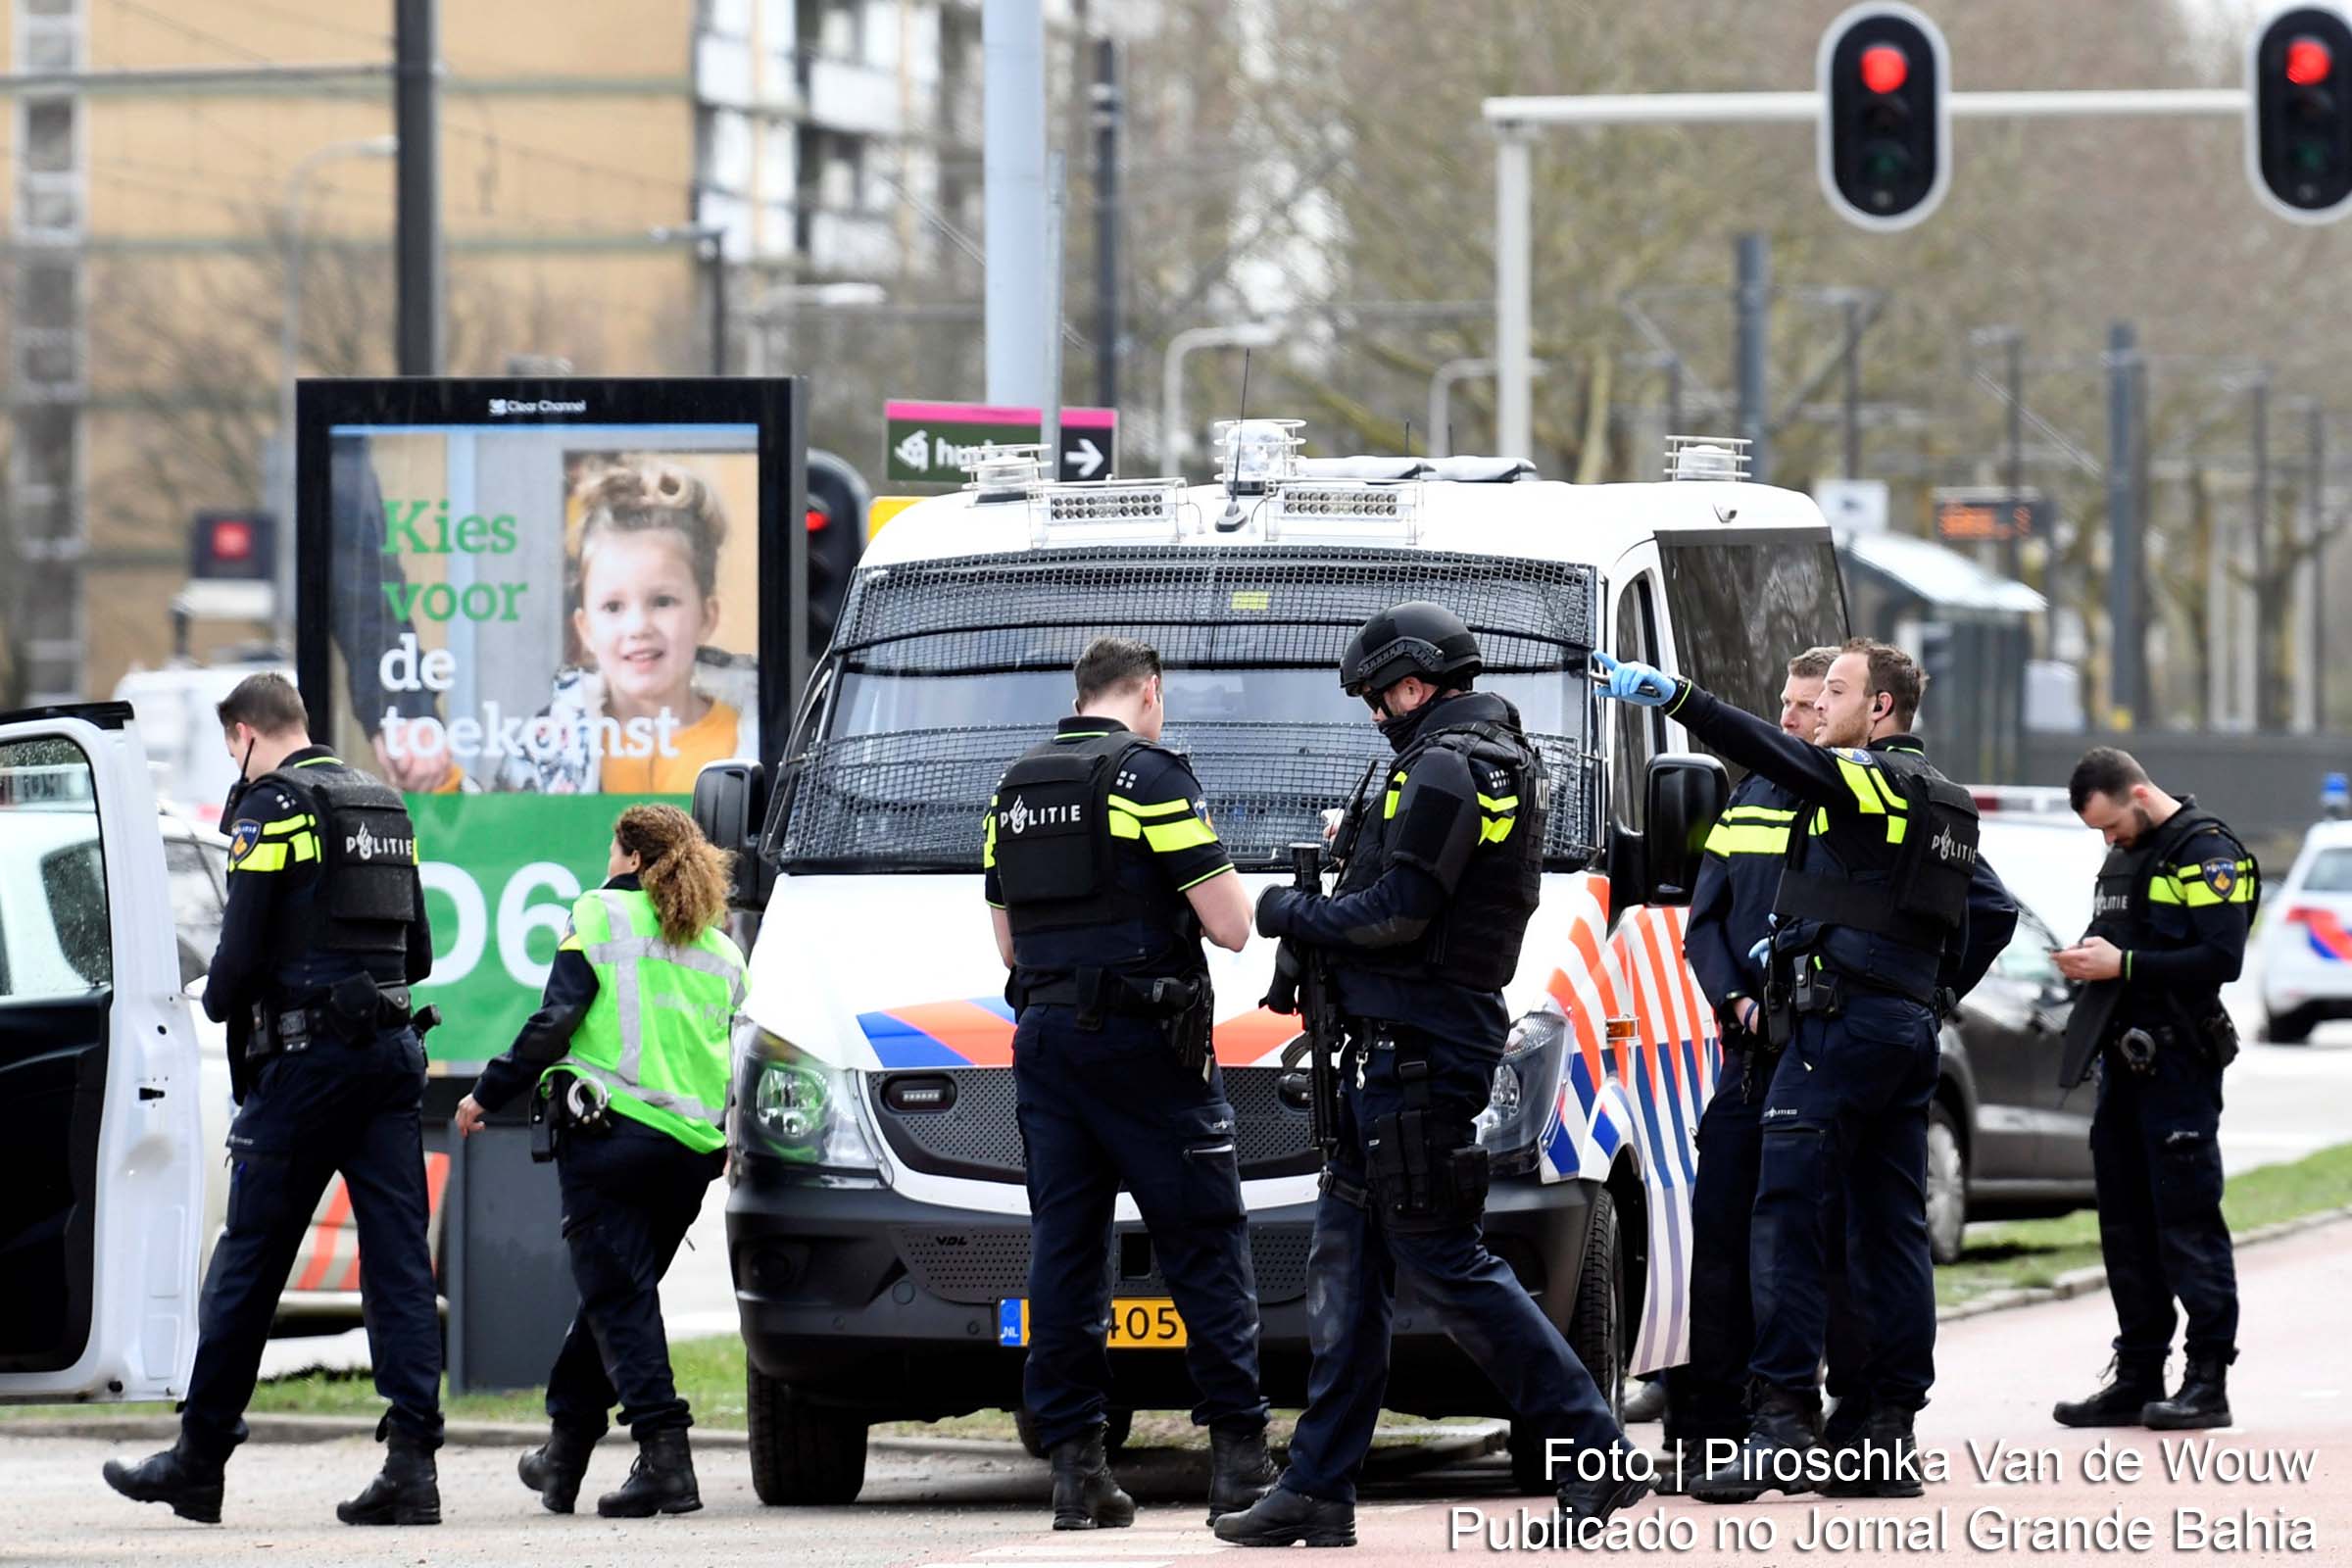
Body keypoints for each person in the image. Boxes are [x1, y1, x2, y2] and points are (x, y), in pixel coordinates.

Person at [1216, 603, 1646, 1549]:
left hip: (1423, 1052)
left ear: (1414, 683)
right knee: (1348, 1268)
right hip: (1392, 1052)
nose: (1377, 714)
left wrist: (1290, 914)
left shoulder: (1450, 766)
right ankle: (1320, 1487)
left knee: (1447, 1264)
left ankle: (1595, 1450)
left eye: (1379, 697)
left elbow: (1400, 913)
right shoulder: (1468, 760)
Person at [1595, 638, 2015, 1503]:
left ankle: (1781, 1426)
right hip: (1901, 1038)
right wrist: (1928, 992)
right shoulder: (1945, 799)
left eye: (1836, 693)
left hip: (1833, 1031)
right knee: (1888, 1232)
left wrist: (1681, 698)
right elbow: (1975, 914)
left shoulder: (1876, 780)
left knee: (1783, 1219)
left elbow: (1775, 752)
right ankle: (1880, 1436)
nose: (1819, 708)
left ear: (1881, 711)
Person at [104, 673, 443, 1526]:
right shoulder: (384, 806)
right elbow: (422, 953)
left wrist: (212, 1000)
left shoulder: (274, 808)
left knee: (249, 1261)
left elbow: (242, 946)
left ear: (246, 733)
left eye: (231, 749)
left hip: (304, 1065)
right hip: (392, 1054)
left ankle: (199, 1459)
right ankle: (412, 1468)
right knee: (399, 1264)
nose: (234, 765)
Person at [984, 636, 1272, 1532]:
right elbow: (1229, 928)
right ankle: (1239, 1461)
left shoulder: (1014, 788)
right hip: (1149, 1047)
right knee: (1203, 1241)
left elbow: (1006, 945)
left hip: (1043, 1041)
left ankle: (1077, 1471)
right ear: (1148, 692)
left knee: (1065, 1251)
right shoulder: (1151, 778)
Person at [455, 804, 745, 1516]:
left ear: (636, 861)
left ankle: (666, 1458)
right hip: (690, 1155)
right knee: (615, 1296)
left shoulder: (601, 915)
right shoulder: (723, 950)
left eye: (613, 851)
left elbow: (557, 1020)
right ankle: (565, 1452)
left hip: (610, 1138)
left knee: (618, 1298)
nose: (606, 862)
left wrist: (487, 1094)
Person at [1666, 646, 1872, 1489]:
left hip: (1828, 1056)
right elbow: (1703, 922)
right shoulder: (1748, 795)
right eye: (1782, 705)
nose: (1789, 719)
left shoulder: (1856, 800)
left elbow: (1960, 911)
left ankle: (1822, 1427)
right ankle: (1709, 1431)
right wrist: (1736, 1002)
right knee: (1719, 1243)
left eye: (1804, 706)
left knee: (1826, 1249)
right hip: (1748, 1055)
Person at [2049, 748, 2254, 1432]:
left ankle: (2207, 1382)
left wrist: (2124, 964)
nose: (2110, 840)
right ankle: (2138, 1374)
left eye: (2112, 825)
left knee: (2187, 1225)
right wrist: (2090, 955)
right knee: (2126, 1229)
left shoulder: (2207, 852)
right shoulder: (2122, 854)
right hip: (2123, 1066)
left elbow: (2220, 959)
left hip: (2178, 1068)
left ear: (2139, 792)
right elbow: (2118, 935)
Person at [495, 457, 759, 794]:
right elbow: (494, 835)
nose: (638, 626)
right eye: (613, 606)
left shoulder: (754, 739)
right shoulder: (546, 746)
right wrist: (445, 783)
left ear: (707, 616)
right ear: (585, 628)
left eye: (662, 601)